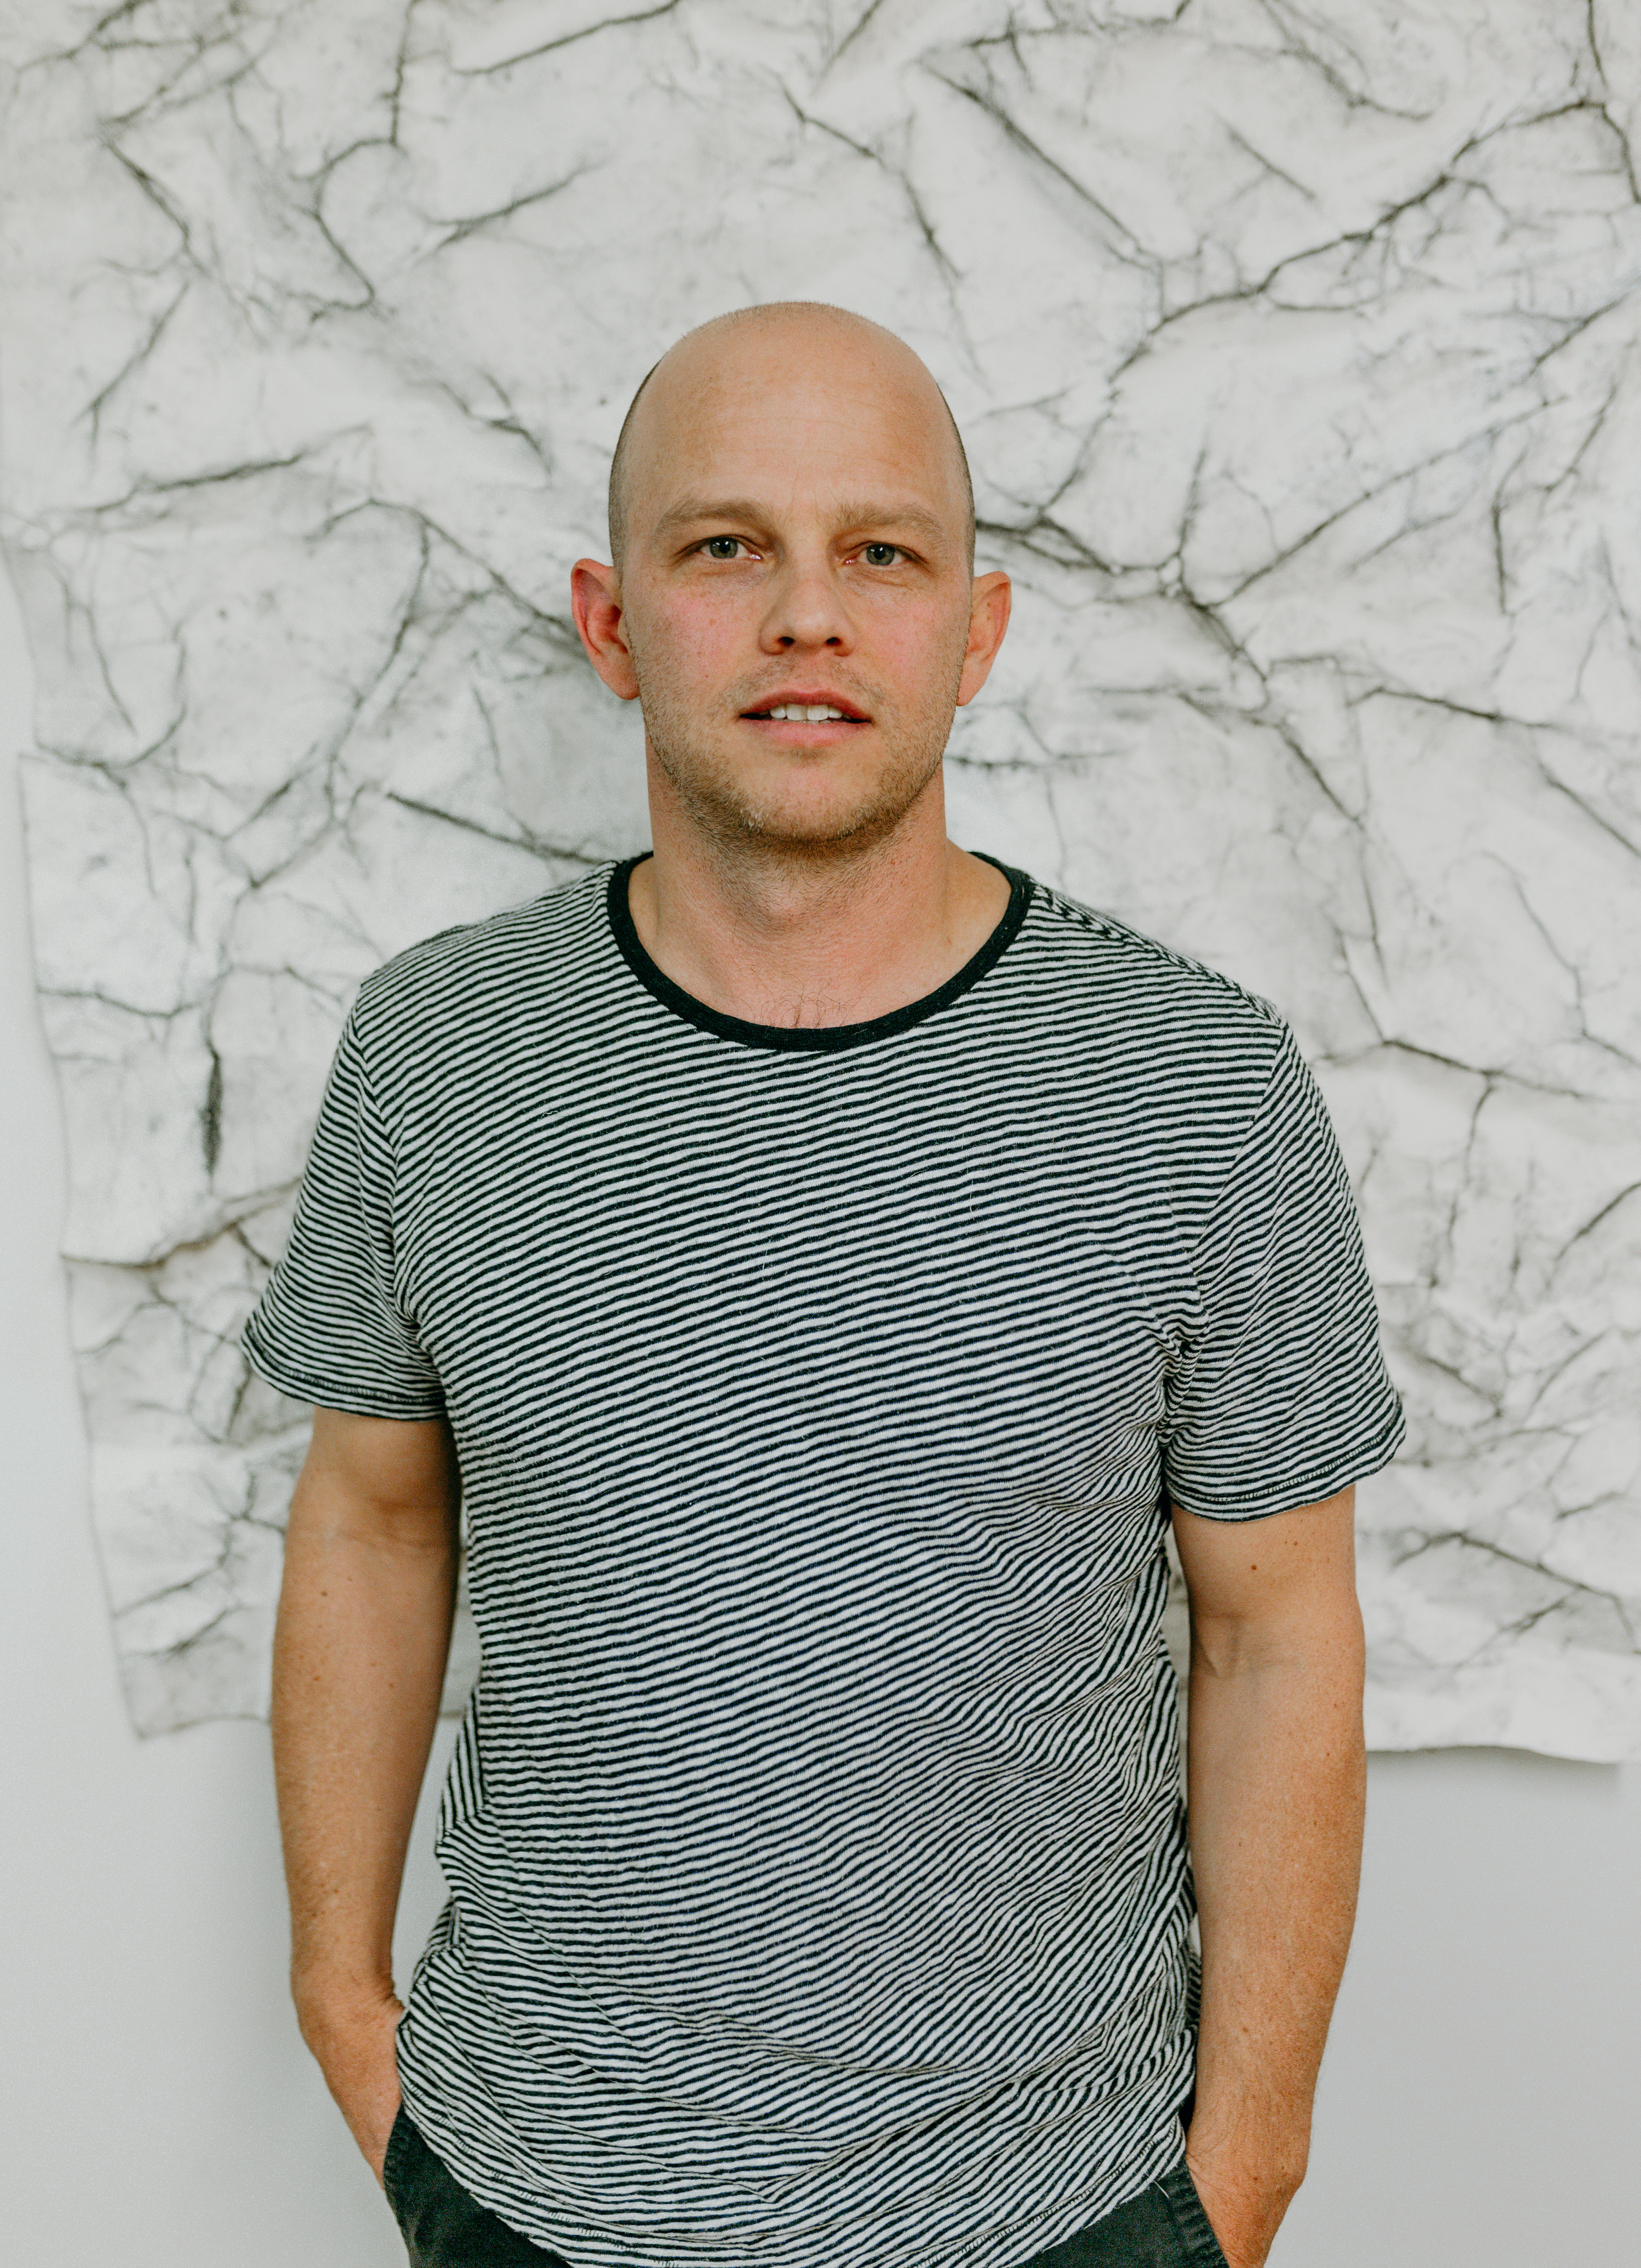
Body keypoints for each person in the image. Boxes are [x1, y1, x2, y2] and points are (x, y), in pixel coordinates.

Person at [244, 301, 1403, 2268]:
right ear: (613, 626)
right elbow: (367, 1523)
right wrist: (348, 2019)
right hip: (530, 2188)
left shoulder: (1196, 1083)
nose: (808, 616)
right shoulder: (434, 1054)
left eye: (882, 551)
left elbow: (1277, 1633)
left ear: (980, 626)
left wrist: (1247, 2171)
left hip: (1066, 2205)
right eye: (727, 549)